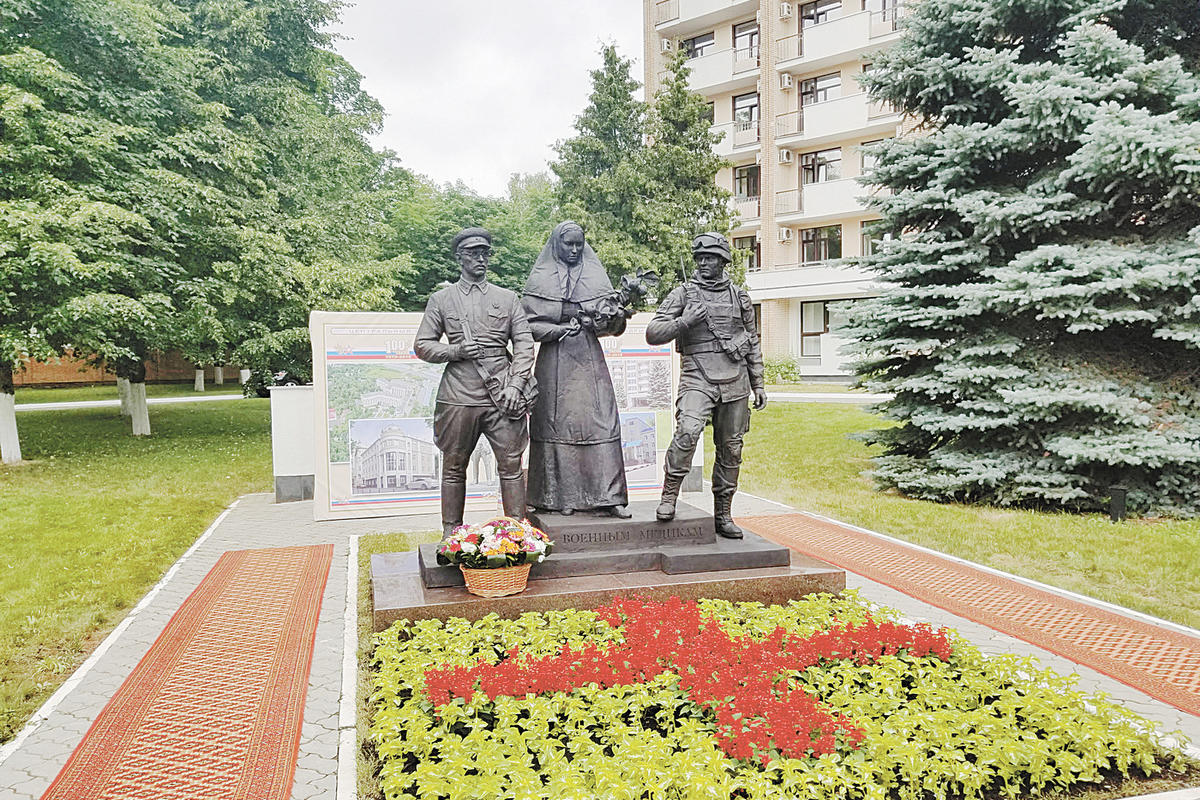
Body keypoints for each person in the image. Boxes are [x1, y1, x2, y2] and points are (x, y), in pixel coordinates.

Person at [414, 227, 535, 535]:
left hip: (502, 396)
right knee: (454, 465)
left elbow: (524, 345)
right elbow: (423, 344)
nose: (480, 259)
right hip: (458, 394)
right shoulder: (442, 300)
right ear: (460, 258)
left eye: (485, 253)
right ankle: (451, 532)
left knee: (510, 466)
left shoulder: (507, 299)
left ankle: (517, 532)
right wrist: (454, 350)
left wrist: (515, 385)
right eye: (473, 254)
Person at [645, 232, 766, 538]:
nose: (703, 264)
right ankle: (669, 495)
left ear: (723, 261)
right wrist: (684, 322)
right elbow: (653, 332)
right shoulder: (683, 294)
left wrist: (759, 383)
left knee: (731, 449)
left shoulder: (740, 297)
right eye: (699, 258)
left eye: (710, 258)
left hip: (735, 381)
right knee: (687, 431)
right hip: (697, 376)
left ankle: (723, 514)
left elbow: (752, 341)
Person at [522, 221, 631, 517]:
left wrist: (613, 315)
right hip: (554, 360)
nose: (573, 250)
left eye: (578, 245)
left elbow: (613, 327)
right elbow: (527, 326)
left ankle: (610, 496)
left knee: (602, 420)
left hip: (589, 359)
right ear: (556, 244)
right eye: (568, 244)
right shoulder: (540, 280)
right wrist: (557, 328)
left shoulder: (594, 275)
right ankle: (558, 497)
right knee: (555, 423)